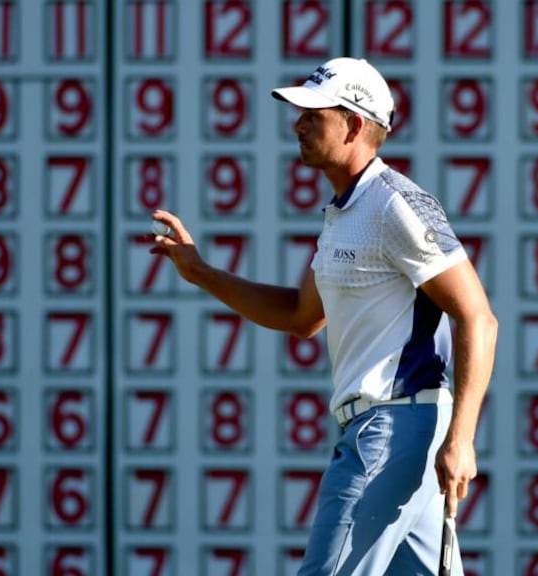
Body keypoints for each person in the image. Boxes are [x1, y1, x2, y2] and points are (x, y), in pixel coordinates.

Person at [149, 57, 497, 575]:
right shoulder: (345, 211)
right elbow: (300, 315)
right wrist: (201, 273)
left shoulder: (395, 204)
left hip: (391, 430)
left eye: (314, 115)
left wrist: (462, 439)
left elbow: (478, 318)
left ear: (354, 125)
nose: (298, 125)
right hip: (390, 431)